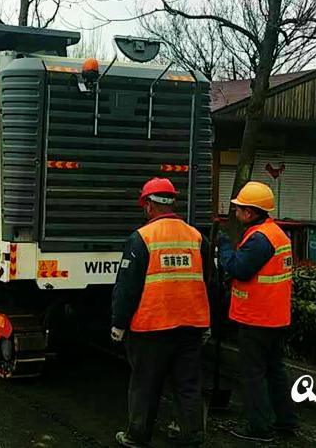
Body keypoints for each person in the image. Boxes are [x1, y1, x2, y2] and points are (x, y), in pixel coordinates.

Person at [112, 177, 213, 448]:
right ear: (173, 203)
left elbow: (127, 287)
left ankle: (137, 436)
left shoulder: (141, 239)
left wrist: (119, 324)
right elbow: (208, 282)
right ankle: (193, 436)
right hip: (192, 326)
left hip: (152, 328)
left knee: (145, 385)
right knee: (188, 385)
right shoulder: (196, 237)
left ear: (148, 206)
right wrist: (207, 324)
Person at [218, 181, 297, 442]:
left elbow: (238, 269)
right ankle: (286, 422)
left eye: (239, 209)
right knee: (275, 371)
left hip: (257, 319)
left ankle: (259, 428)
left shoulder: (260, 240)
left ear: (251, 213)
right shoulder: (276, 233)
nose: (236, 213)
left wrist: (224, 245)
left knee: (253, 374)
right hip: (276, 317)